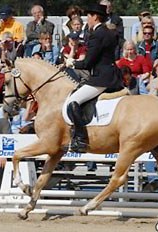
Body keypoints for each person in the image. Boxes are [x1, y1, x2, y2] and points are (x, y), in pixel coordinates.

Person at [64, 3, 123, 153]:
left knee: (73, 101)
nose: (87, 20)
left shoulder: (98, 34)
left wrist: (72, 63)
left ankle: (80, 139)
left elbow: (88, 62)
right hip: (111, 74)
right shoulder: (109, 32)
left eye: (89, 16)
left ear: (95, 17)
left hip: (101, 78)